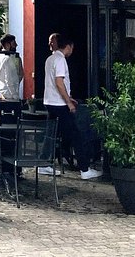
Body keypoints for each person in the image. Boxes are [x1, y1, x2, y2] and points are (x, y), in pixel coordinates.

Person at [42, 34, 101, 180]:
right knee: (76, 134)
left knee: (51, 134)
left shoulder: (50, 59)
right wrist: (68, 102)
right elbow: (59, 82)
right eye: (72, 47)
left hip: (50, 101)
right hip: (59, 104)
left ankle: (43, 163)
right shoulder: (61, 60)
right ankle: (85, 169)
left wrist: (68, 97)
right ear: (67, 46)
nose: (72, 50)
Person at [0, 34, 23, 101]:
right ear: (7, 44)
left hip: (1, 91)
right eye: (13, 43)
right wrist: (14, 95)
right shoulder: (8, 59)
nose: (16, 45)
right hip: (9, 94)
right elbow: (9, 79)